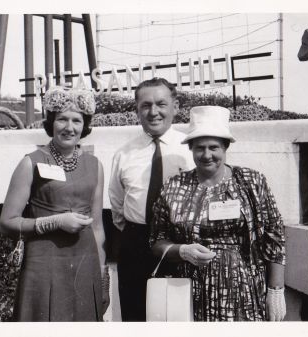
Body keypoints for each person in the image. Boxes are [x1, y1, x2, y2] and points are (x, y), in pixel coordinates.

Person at [149, 106, 286, 321]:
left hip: (243, 292)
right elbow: (156, 241)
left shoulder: (251, 182)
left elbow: (275, 237)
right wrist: (182, 250)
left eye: (214, 147)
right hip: (187, 292)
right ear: (191, 148)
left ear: (225, 147)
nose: (206, 155)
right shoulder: (174, 187)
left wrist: (276, 290)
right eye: (199, 148)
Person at [0, 85, 109, 321]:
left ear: (85, 125)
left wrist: (102, 277)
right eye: (62, 120)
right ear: (51, 123)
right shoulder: (31, 163)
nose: (69, 128)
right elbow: (6, 223)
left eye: (77, 121)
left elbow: (98, 227)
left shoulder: (95, 165)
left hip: (85, 263)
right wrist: (55, 222)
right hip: (43, 264)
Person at [108, 77, 194, 321]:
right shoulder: (124, 153)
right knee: (135, 316)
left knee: (179, 318)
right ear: (137, 109)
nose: (153, 112)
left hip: (180, 243)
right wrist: (137, 233)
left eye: (161, 104)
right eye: (145, 105)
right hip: (136, 243)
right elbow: (117, 205)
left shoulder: (191, 148)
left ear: (175, 107)